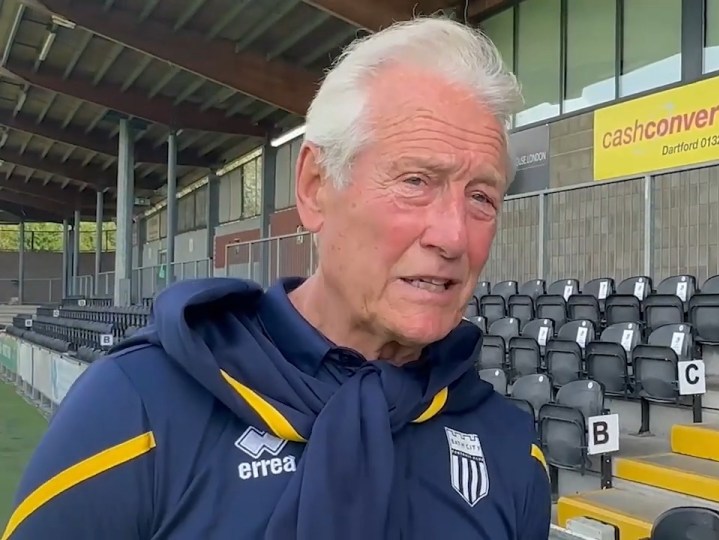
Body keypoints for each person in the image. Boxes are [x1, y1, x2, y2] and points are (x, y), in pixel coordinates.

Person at [2, 17, 551, 540]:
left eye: (481, 197)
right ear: (315, 186)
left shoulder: (509, 449)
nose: (453, 236)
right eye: (415, 181)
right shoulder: (136, 408)